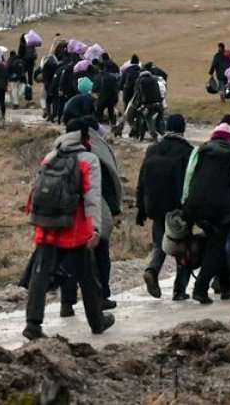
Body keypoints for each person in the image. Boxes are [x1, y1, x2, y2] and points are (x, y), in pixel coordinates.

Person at [23, 119, 114, 340]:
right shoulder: (89, 160)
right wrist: (95, 229)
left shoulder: (51, 156)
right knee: (88, 278)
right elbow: (92, 198)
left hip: (46, 227)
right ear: (84, 136)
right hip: (75, 229)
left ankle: (33, 324)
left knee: (40, 275)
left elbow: (36, 190)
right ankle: (97, 321)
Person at [59, 118, 123, 315]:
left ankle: (67, 303)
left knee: (70, 259)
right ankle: (100, 298)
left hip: (64, 215)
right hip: (89, 215)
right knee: (99, 256)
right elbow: (101, 188)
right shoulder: (92, 155)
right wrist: (113, 211)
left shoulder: (58, 154)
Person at [182, 123, 230, 304]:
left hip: (197, 206)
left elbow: (189, 177)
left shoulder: (201, 152)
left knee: (214, 243)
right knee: (217, 247)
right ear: (229, 140)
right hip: (221, 209)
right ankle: (201, 288)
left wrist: (186, 205)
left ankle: (227, 285)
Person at [135, 114, 194, 301]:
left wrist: (140, 208)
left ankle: (152, 270)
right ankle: (179, 290)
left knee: (159, 243)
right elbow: (191, 181)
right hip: (178, 207)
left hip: (154, 204)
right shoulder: (187, 151)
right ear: (182, 129)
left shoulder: (153, 149)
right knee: (182, 247)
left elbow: (141, 180)